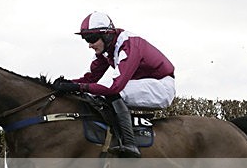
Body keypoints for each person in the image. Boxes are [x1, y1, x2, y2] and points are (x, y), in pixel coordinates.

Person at [54, 11, 176, 157]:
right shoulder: (106, 49)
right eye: (86, 39)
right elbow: (90, 78)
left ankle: (130, 143)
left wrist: (77, 87)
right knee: (96, 94)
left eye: (92, 39)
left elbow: (114, 87)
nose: (90, 45)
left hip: (161, 87)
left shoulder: (129, 45)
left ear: (107, 35)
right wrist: (68, 83)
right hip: (143, 84)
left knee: (114, 92)